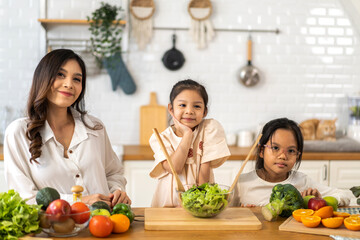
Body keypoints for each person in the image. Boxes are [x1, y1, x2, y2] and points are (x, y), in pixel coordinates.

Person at [4, 49, 131, 207]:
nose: (69, 84)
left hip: (104, 225)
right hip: (54, 230)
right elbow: (24, 197)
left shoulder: (95, 128)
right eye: (60, 75)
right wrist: (79, 201)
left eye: (77, 79)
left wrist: (117, 191)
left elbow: (113, 173)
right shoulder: (19, 133)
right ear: (42, 78)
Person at [231, 118, 353, 207]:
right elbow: (226, 216)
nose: (283, 156)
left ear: (298, 155)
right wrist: (242, 214)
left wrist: (321, 201)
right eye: (275, 148)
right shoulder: (242, 183)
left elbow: (344, 195)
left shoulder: (303, 182)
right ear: (261, 151)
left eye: (291, 150)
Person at [149, 79, 231, 207]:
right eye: (182, 105)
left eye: (197, 106)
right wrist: (187, 134)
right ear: (171, 108)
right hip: (168, 203)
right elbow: (174, 168)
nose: (189, 111)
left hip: (199, 199)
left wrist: (200, 202)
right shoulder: (160, 138)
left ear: (204, 112)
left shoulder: (209, 129)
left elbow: (204, 173)